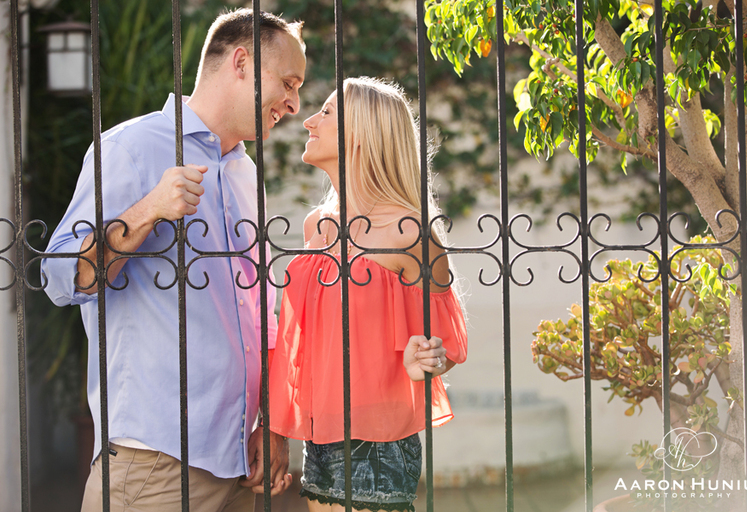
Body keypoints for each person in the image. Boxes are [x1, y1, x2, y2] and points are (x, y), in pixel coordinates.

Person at [41, 9, 304, 511]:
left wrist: (271, 422)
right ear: (242, 62)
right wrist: (148, 211)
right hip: (154, 468)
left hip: (237, 464)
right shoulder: (130, 149)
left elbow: (264, 313)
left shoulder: (246, 175)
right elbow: (59, 275)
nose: (293, 103)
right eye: (288, 82)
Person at [268, 77, 469, 512]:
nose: (308, 121)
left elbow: (446, 344)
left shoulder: (409, 230)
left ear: (361, 132)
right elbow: (300, 344)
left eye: (325, 112)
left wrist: (426, 357)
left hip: (378, 439)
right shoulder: (315, 226)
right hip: (321, 435)